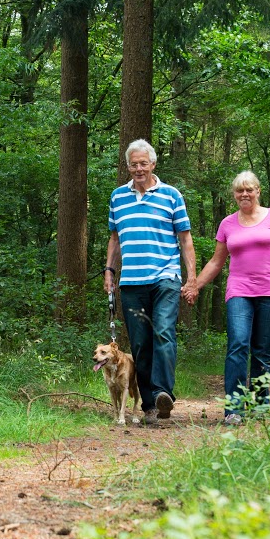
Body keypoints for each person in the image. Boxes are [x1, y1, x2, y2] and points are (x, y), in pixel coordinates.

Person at [182, 171, 270, 425]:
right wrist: (195, 286)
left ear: (258, 191)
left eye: (249, 189)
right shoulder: (228, 224)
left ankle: (261, 406)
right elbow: (217, 262)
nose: (245, 194)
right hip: (239, 291)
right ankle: (234, 409)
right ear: (234, 195)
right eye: (240, 191)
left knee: (261, 349)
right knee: (238, 344)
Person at [104, 139, 197, 424]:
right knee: (141, 344)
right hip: (131, 282)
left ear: (153, 164)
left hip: (166, 278)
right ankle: (149, 406)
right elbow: (115, 238)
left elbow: (185, 238)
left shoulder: (171, 195)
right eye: (134, 164)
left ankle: (162, 393)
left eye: (144, 163)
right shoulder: (118, 197)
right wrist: (109, 270)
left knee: (164, 334)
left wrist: (191, 278)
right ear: (128, 166)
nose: (139, 169)